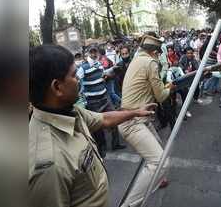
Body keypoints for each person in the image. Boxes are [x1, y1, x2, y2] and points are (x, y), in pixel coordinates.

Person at [29, 45, 157, 207]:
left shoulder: (70, 111)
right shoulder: (49, 164)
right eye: (74, 75)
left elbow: (104, 119)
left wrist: (135, 112)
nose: (78, 81)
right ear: (57, 87)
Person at [118, 35, 175, 207]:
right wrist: (170, 88)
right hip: (133, 121)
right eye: (158, 53)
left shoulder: (137, 60)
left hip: (138, 118)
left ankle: (157, 179)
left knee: (159, 153)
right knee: (160, 162)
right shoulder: (150, 63)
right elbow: (161, 96)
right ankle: (129, 205)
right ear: (155, 52)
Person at [77, 47, 125, 157]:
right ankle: (101, 147)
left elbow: (103, 74)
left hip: (104, 97)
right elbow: (77, 80)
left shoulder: (99, 64)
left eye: (95, 52)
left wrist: (111, 71)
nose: (94, 54)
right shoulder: (83, 68)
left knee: (114, 120)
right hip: (93, 102)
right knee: (97, 126)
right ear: (87, 53)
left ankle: (115, 143)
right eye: (91, 52)